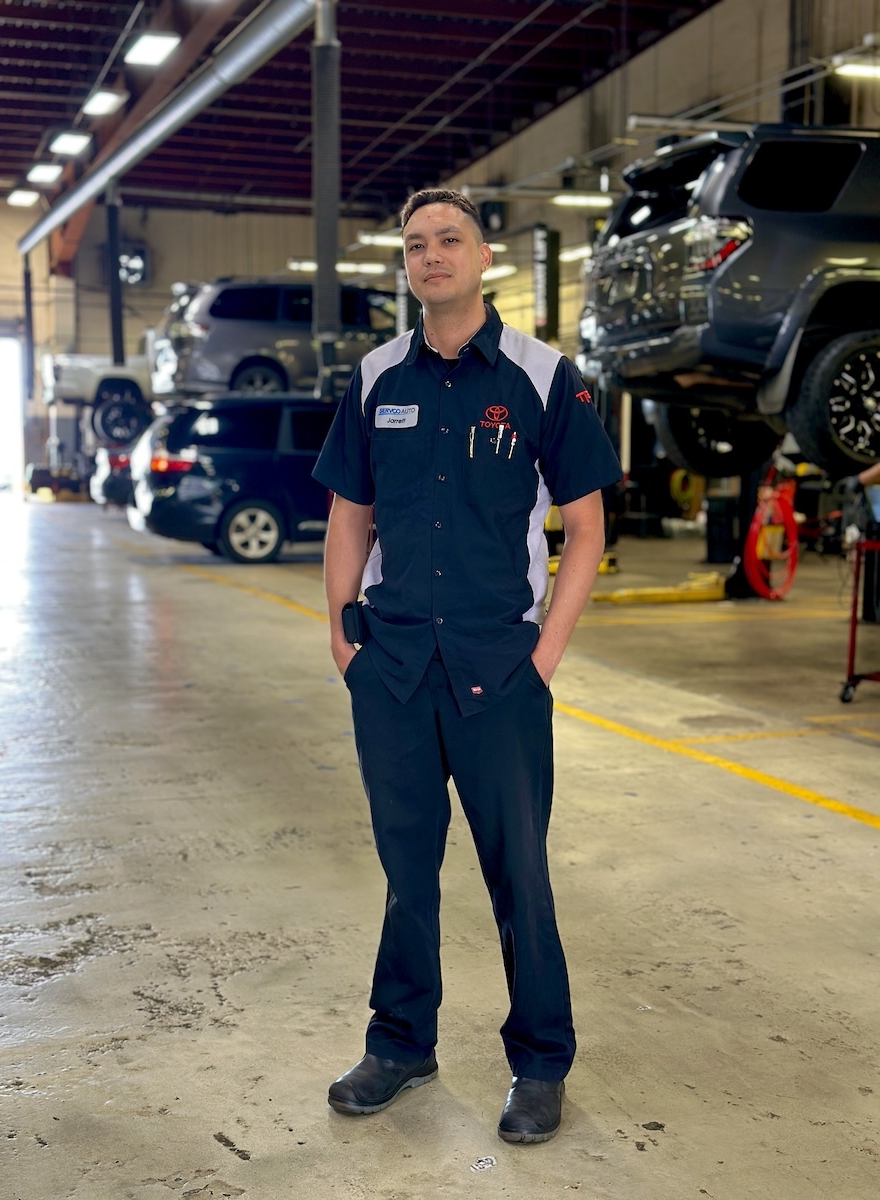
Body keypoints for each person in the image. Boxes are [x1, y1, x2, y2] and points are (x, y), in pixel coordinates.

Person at [312, 188, 622, 1144]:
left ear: (485, 256)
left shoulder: (542, 375)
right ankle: (401, 1043)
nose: (431, 255)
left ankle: (540, 1060)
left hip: (501, 672)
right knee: (407, 873)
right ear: (404, 265)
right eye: (415, 244)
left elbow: (587, 527)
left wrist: (547, 651)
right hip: (395, 669)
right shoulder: (374, 378)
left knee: (518, 875)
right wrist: (342, 635)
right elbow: (349, 516)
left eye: (449, 239)